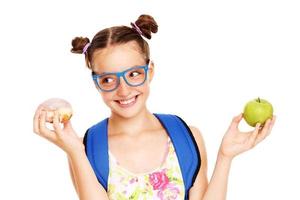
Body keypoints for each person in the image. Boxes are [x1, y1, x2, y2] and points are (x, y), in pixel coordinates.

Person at [33, 14, 276, 200]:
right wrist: (74, 151)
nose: (124, 89)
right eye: (108, 79)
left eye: (134, 74)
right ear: (97, 84)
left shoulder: (186, 137)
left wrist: (225, 156)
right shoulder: (88, 146)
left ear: (150, 72)